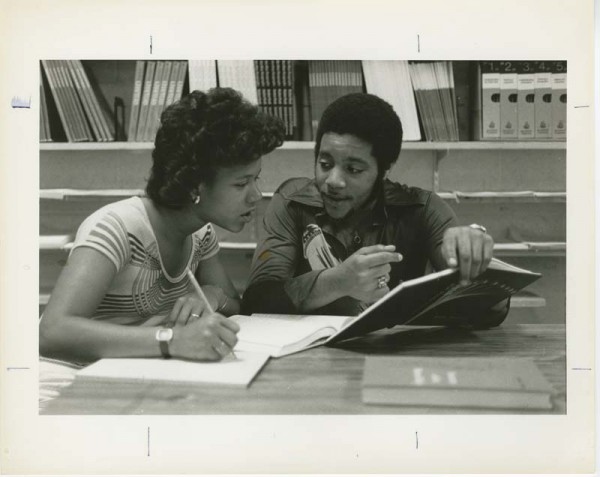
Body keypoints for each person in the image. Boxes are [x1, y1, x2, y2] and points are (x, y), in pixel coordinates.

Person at [40, 88, 285, 363]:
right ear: (195, 185)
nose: (255, 196)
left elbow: (232, 303)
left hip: (140, 379)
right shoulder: (117, 228)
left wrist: (210, 295)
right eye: (241, 184)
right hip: (73, 384)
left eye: (256, 179)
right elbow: (51, 332)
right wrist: (173, 340)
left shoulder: (200, 233)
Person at [242, 92, 509, 326]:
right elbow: (257, 300)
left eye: (354, 169)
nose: (333, 181)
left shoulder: (423, 209)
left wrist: (475, 259)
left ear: (385, 169)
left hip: (393, 361)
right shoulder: (292, 201)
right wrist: (338, 281)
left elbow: (481, 310)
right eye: (324, 163)